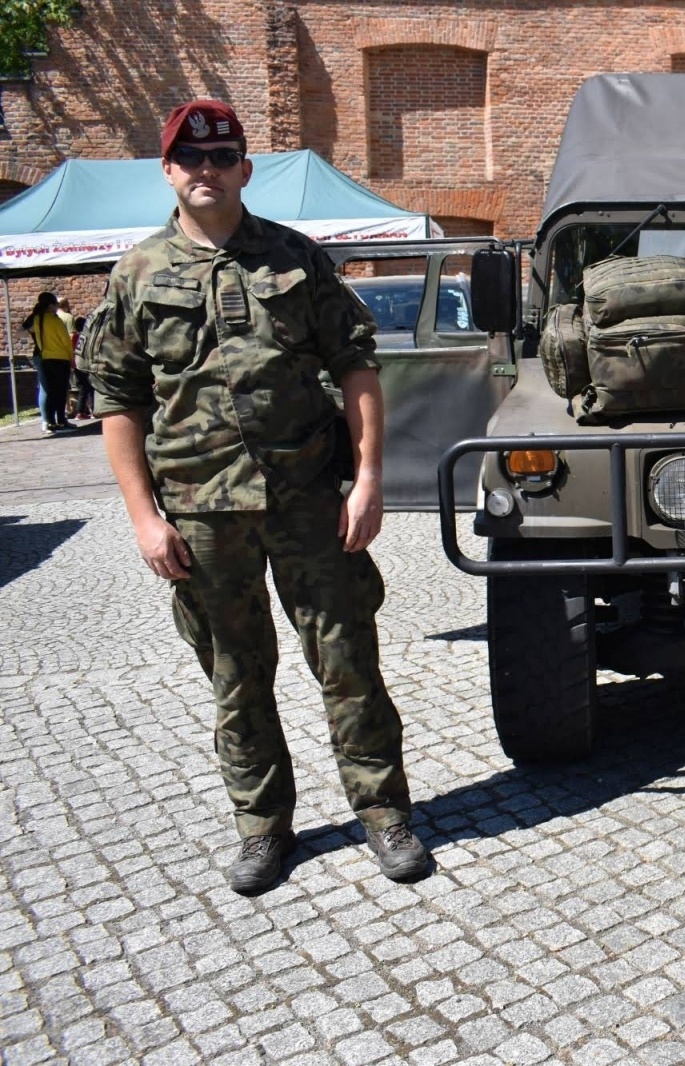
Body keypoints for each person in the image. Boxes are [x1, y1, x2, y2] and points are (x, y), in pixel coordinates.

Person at [82, 99, 430, 892]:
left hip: (308, 501)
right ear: (168, 172)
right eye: (189, 159)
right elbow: (118, 401)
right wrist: (143, 517)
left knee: (348, 663)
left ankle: (383, 813)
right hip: (201, 516)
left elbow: (356, 367)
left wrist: (368, 479)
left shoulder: (298, 258)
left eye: (222, 157)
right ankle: (262, 828)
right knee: (238, 676)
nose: (206, 170)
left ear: (244, 168)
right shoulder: (136, 274)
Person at [23, 292, 74, 431]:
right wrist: (72, 357)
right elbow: (66, 341)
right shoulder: (55, 320)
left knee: (47, 390)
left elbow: (23, 329)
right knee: (61, 390)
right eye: (56, 304)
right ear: (51, 305)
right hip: (60, 358)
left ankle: (48, 421)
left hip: (44, 358)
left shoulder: (36, 319)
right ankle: (61, 420)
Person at [70, 315, 93, 419]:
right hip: (85, 365)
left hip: (76, 364)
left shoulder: (74, 337)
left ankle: (82, 411)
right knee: (89, 388)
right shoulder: (86, 336)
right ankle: (90, 411)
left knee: (83, 388)